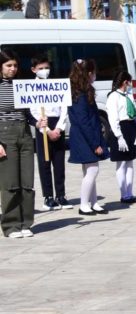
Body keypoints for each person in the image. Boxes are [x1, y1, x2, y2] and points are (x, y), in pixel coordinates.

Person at [0, 49, 37, 237]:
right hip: (5, 134)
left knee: (27, 181)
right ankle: (11, 225)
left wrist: (38, 122)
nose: (13, 69)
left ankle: (26, 223)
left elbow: (28, 113)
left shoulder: (21, 86)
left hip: (25, 133)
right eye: (8, 65)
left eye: (15, 65)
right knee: (10, 183)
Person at [28, 55, 71, 210]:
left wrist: (58, 128)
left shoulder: (56, 84)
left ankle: (61, 195)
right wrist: (45, 130)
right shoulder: (31, 88)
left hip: (57, 124)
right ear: (33, 70)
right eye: (40, 68)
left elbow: (64, 107)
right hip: (43, 126)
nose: (44, 71)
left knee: (59, 163)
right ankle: (48, 196)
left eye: (46, 68)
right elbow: (32, 111)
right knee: (44, 163)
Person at [67, 58, 108, 217]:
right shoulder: (80, 93)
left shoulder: (80, 90)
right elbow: (84, 121)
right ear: (89, 73)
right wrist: (95, 143)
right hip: (85, 137)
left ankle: (93, 202)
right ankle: (84, 204)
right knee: (92, 169)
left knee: (90, 169)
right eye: (94, 72)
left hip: (85, 135)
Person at [106, 71, 136, 204]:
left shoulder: (128, 96)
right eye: (129, 82)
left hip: (130, 127)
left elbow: (135, 112)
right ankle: (124, 194)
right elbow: (113, 118)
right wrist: (119, 137)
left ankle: (130, 192)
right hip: (120, 129)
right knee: (121, 163)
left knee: (130, 161)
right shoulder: (113, 97)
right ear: (124, 82)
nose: (130, 85)